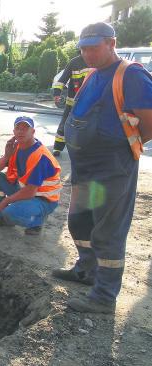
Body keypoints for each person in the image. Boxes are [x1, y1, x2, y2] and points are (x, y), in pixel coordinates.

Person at [52, 22, 152, 314]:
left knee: (108, 231)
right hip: (86, 168)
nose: (87, 53)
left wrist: (127, 144)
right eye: (83, 48)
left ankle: (104, 297)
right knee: (80, 221)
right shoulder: (93, 75)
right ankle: (87, 270)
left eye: (93, 47)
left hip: (112, 168)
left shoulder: (130, 75)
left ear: (111, 43)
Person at [0, 116, 62, 236]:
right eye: (18, 128)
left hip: (44, 199)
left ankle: (36, 221)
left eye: (25, 128)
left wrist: (7, 201)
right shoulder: (17, 147)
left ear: (33, 132)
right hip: (24, 190)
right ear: (14, 132)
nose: (21, 131)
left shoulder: (40, 156)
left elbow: (30, 192)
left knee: (10, 212)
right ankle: (1, 218)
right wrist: (7, 156)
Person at [51, 55, 91, 157]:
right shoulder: (74, 62)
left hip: (91, 103)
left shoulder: (98, 60)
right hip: (72, 102)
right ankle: (57, 147)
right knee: (65, 123)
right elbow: (62, 79)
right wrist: (56, 93)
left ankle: (85, 149)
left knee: (89, 126)